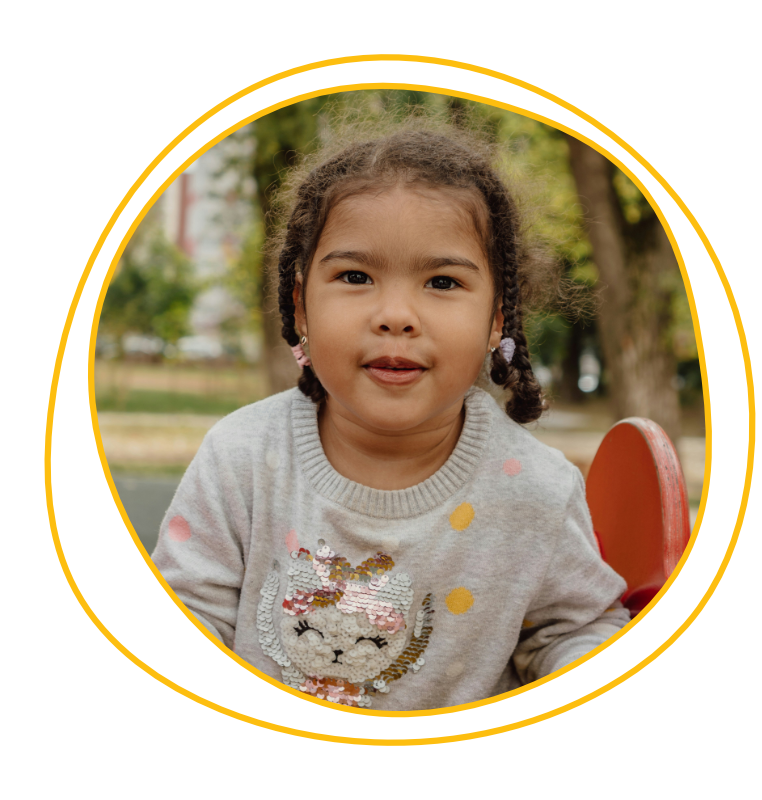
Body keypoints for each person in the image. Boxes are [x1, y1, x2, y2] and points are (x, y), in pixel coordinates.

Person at [152, 115, 630, 710]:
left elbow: (573, 632)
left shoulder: (537, 489)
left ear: (498, 319)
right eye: (356, 276)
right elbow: (190, 608)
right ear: (300, 307)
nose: (396, 316)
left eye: (442, 282)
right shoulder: (241, 458)